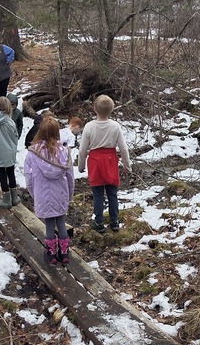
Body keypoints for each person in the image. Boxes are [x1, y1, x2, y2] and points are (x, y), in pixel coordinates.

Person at [24, 117, 76, 265]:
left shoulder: (33, 153)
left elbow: (28, 176)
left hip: (42, 193)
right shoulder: (64, 152)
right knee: (61, 221)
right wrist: (70, 194)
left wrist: (34, 193)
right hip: (60, 193)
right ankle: (64, 253)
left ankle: (51, 254)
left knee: (49, 224)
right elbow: (70, 176)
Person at [77, 95, 131, 231]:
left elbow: (83, 149)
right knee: (112, 193)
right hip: (111, 160)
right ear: (111, 109)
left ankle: (99, 222)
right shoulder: (115, 126)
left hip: (95, 162)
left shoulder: (89, 126)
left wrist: (81, 166)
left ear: (94, 108)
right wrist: (127, 164)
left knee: (98, 194)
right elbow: (123, 148)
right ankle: (114, 221)